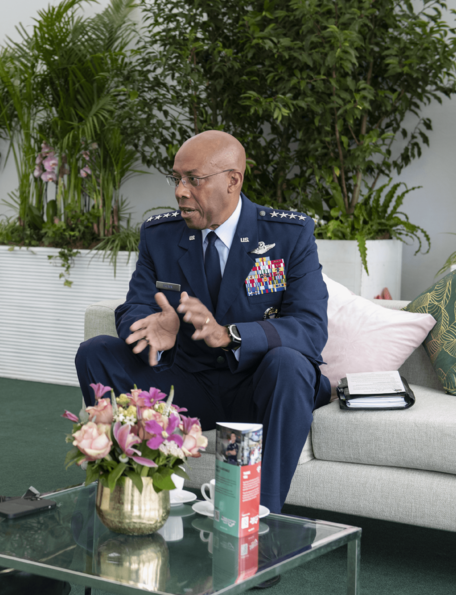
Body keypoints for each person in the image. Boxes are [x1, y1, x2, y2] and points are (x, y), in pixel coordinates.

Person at [75, 130, 329, 517]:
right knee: (96, 352)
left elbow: (310, 328)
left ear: (233, 180)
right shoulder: (159, 235)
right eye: (177, 178)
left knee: (290, 363)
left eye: (194, 179)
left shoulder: (287, 235)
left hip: (257, 388)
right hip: (187, 383)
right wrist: (156, 329)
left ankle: (260, 516)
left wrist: (230, 336)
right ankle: (136, 493)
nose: (180, 191)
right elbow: (134, 306)